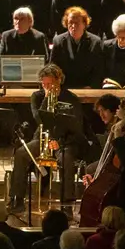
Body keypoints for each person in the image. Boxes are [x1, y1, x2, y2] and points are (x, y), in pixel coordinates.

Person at [10, 64, 85, 210]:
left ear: (59, 81)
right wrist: (47, 98)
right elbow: (39, 118)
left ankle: (67, 205)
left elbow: (76, 125)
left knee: (66, 159)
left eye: (50, 84)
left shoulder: (71, 98)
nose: (47, 88)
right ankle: (17, 199)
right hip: (42, 139)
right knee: (21, 154)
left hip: (64, 141)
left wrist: (59, 141)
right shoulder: (37, 97)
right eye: (44, 84)